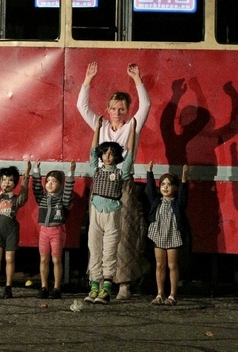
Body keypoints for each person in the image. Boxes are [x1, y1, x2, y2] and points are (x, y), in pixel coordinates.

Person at [76, 61, 151, 299]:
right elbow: (81, 106)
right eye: (113, 108)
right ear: (107, 109)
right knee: (97, 236)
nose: (117, 112)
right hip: (101, 185)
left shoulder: (132, 128)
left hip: (122, 184)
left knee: (124, 234)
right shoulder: (101, 126)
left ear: (127, 111)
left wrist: (137, 79)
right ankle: (97, 282)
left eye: (121, 109)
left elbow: (146, 105)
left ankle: (124, 284)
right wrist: (88, 79)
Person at [85, 116, 136, 305]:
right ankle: (94, 286)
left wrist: (132, 131)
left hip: (112, 213)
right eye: (105, 153)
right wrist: (97, 129)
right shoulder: (96, 170)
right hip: (96, 212)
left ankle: (106, 289)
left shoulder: (120, 173)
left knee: (109, 250)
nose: (107, 156)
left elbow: (130, 154)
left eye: (111, 153)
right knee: (94, 248)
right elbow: (92, 151)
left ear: (116, 157)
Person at [146, 162, 190, 306]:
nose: (165, 187)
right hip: (159, 235)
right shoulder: (156, 201)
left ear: (175, 188)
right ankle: (160, 293)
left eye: (169, 184)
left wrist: (184, 179)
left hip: (172, 235)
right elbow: (150, 190)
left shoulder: (177, 203)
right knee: (159, 264)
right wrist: (149, 173)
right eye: (163, 184)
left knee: (172, 265)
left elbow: (183, 197)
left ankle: (172, 295)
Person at [31, 160, 76, 300]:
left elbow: (68, 190)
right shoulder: (42, 198)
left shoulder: (62, 200)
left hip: (57, 231)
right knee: (43, 259)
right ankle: (44, 287)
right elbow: (36, 188)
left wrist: (71, 173)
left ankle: (56, 288)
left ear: (60, 185)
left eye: (54, 181)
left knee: (56, 260)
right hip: (44, 231)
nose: (50, 184)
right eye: (48, 181)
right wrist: (36, 171)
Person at [0, 161, 32, 298]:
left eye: (10, 180)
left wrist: (26, 176)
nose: (7, 183)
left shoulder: (16, 199)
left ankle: (8, 287)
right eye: (4, 180)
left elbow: (24, 195)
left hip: (12, 229)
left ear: (15, 183)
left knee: (10, 258)